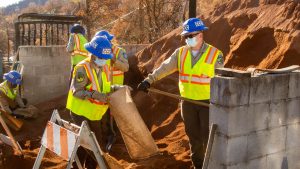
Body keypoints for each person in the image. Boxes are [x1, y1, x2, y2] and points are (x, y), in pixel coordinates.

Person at [137, 18, 224, 169]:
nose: (187, 39)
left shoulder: (215, 54)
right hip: (187, 102)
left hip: (207, 103)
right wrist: (149, 81)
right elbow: (164, 68)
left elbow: (222, 79)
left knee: (207, 137)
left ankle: (211, 165)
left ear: (200, 34)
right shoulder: (180, 53)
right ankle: (198, 165)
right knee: (193, 137)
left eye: (190, 36)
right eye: (186, 36)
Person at [94, 30, 129, 152]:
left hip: (117, 91)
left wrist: (114, 59)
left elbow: (125, 67)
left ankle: (115, 138)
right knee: (104, 115)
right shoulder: (98, 52)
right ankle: (107, 137)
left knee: (117, 115)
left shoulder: (119, 51)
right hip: (104, 90)